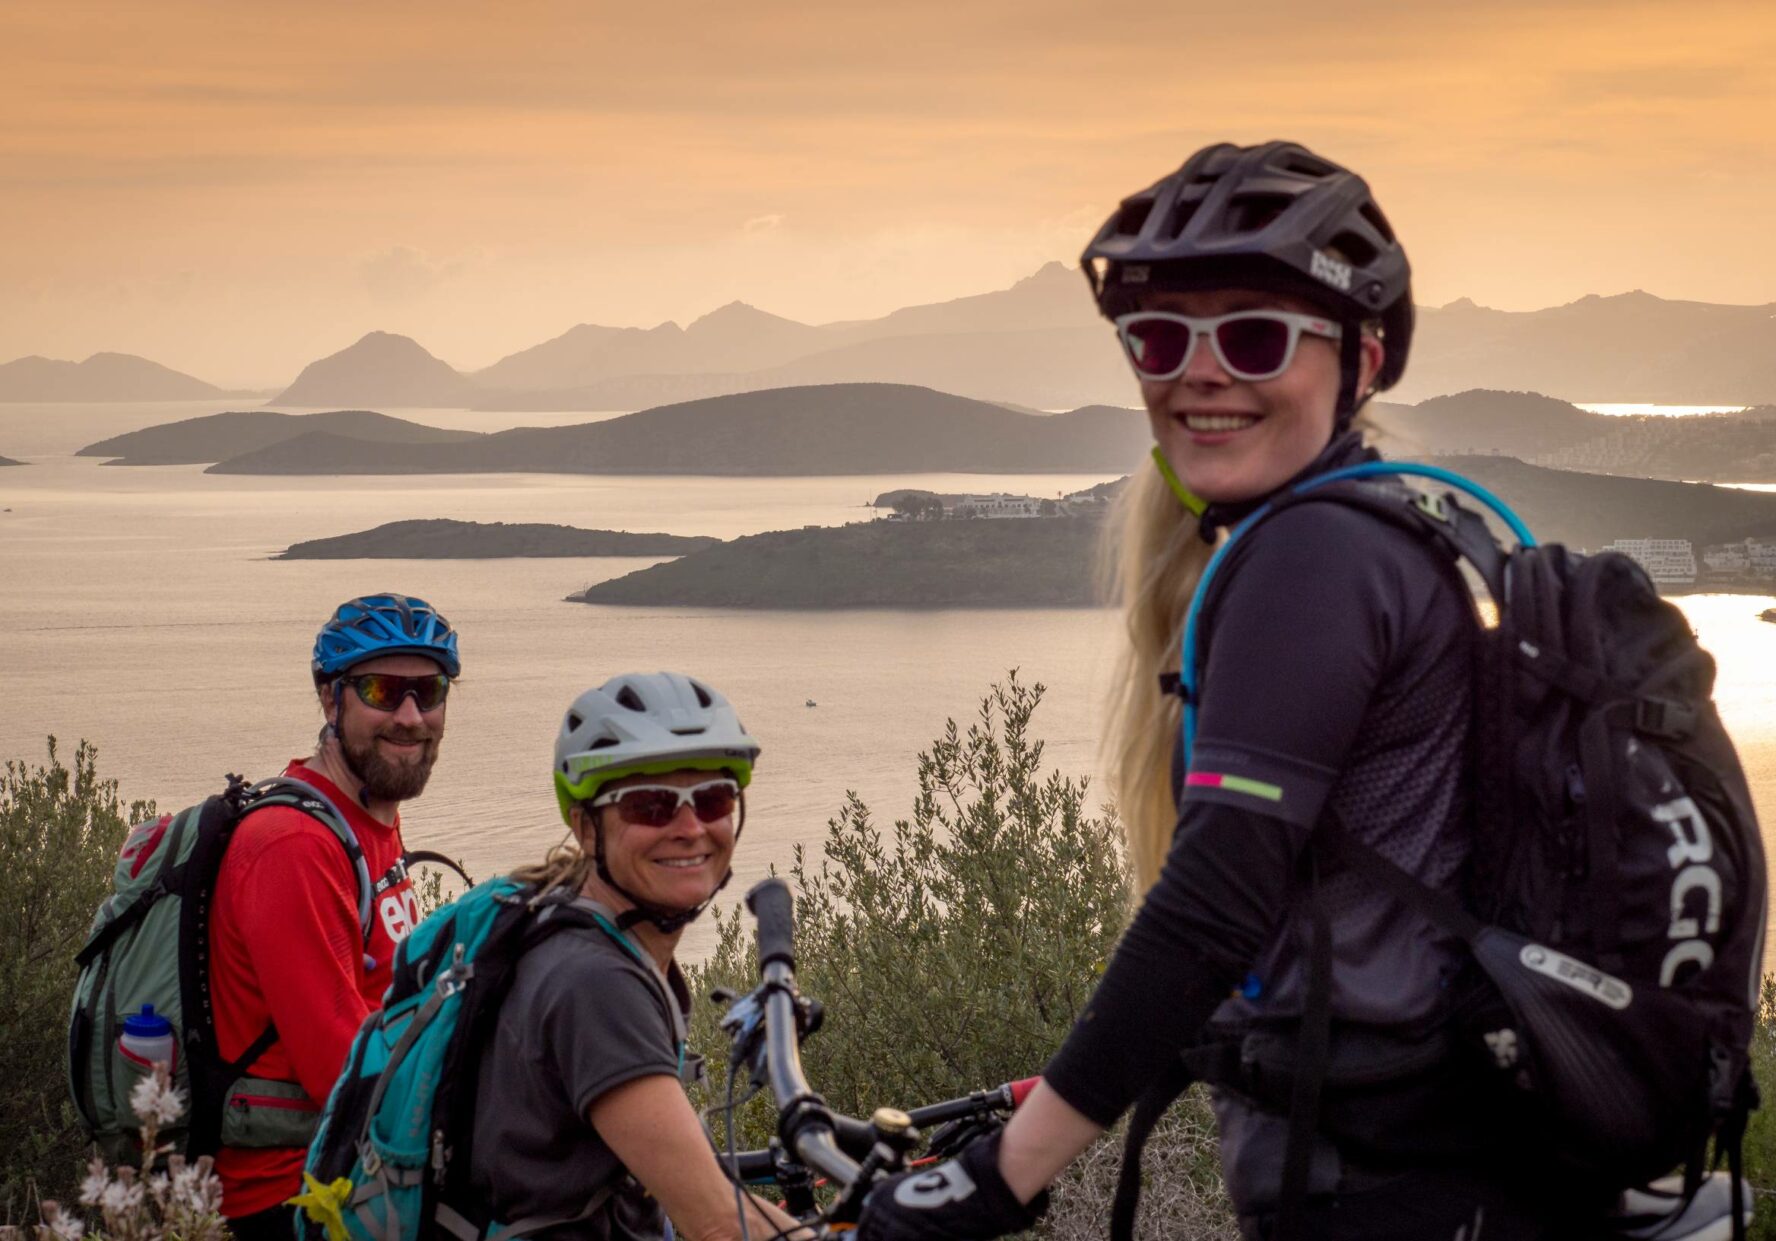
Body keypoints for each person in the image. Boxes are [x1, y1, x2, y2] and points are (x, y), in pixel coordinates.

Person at [857, 140, 1591, 1240]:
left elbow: (1212, 902)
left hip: (1387, 1180)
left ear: (1365, 356)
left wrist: (993, 1175)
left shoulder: (1315, 558)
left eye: (1254, 335)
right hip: (1471, 1156)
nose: (1199, 372)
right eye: (1159, 337)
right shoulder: (1415, 527)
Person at [464, 671, 810, 1241]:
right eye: (650, 805)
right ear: (587, 827)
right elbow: (719, 1223)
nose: (690, 827)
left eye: (713, 797)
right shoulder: (593, 981)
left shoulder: (564, 923)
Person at [211, 593, 460, 1240]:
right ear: (330, 698)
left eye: (428, 690)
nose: (410, 716)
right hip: (292, 1197)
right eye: (381, 689)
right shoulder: (295, 846)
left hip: (356, 1163)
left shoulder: (369, 818)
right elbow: (346, 1073)